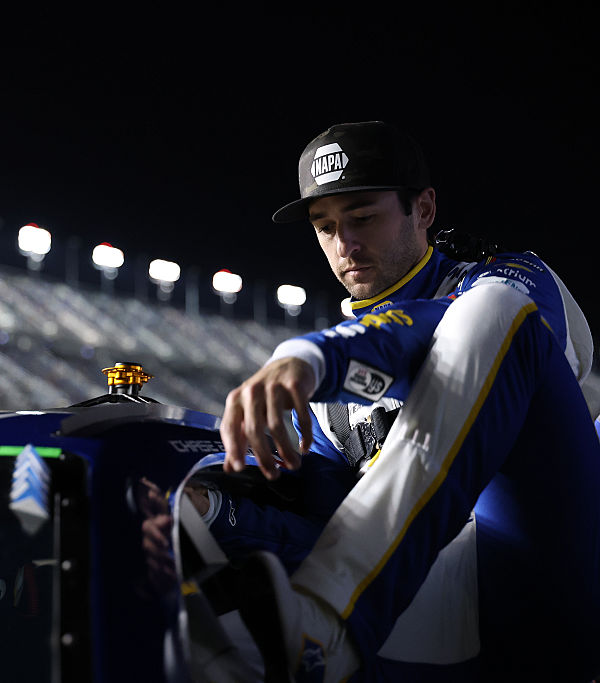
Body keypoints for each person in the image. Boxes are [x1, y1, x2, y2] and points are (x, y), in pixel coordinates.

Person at [214, 121, 600, 681]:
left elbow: (443, 328)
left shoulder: (516, 279)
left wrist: (319, 356)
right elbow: (319, 520)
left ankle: (331, 622)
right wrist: (209, 507)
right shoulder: (324, 397)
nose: (345, 245)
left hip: (548, 581)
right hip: (436, 620)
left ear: (424, 209)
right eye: (326, 227)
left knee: (493, 313)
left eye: (363, 217)